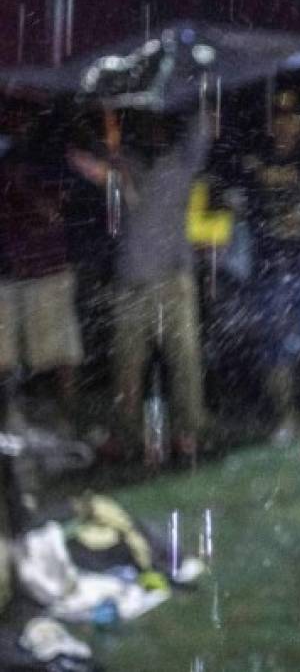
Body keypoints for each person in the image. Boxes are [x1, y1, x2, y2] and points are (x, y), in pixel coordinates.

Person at [68, 109, 210, 466]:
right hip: (131, 283)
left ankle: (186, 433)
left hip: (174, 280)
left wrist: (205, 89)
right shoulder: (125, 163)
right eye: (148, 121)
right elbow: (93, 167)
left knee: (184, 361)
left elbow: (204, 126)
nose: (153, 128)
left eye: (159, 121)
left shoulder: (181, 161)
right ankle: (127, 436)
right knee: (128, 365)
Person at [242, 89, 300, 443]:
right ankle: (286, 418)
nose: (285, 123)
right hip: (270, 268)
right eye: (279, 116)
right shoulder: (254, 159)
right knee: (275, 345)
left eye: (292, 116)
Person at [0, 158, 84, 435]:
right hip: (11, 276)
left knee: (58, 356)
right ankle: (13, 422)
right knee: (6, 360)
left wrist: (23, 184)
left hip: (47, 273)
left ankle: (65, 421)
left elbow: (56, 213)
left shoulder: (44, 160)